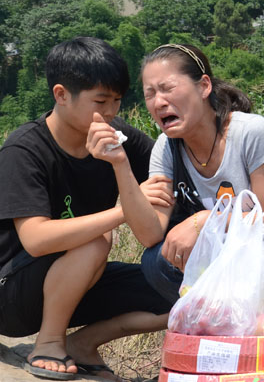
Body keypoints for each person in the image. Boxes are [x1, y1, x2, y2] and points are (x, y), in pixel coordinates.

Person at [0, 37, 172, 381]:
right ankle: (48, 342)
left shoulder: (117, 136)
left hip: (79, 282)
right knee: (96, 240)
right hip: (13, 292)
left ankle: (82, 344)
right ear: (61, 94)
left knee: (177, 293)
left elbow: (166, 172)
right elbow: (34, 238)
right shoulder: (25, 149)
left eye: (117, 101)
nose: (110, 112)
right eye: (100, 101)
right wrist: (125, 211)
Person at [138, 43, 264, 312]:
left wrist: (204, 219)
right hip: (224, 259)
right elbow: (151, 234)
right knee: (156, 261)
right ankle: (222, 323)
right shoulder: (166, 148)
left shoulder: (251, 132)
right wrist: (119, 165)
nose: (158, 102)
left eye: (167, 88)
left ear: (203, 86)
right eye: (149, 94)